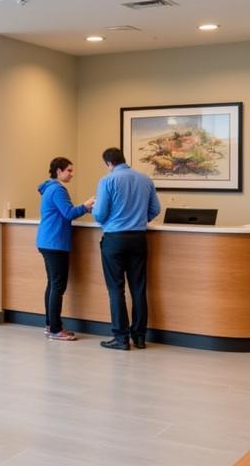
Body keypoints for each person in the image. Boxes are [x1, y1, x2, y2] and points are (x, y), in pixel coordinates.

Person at [92, 147, 160, 350]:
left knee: (116, 289)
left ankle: (121, 339)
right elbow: (155, 209)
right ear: (124, 159)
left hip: (114, 239)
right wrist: (139, 219)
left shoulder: (107, 180)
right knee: (138, 288)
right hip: (139, 239)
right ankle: (139, 337)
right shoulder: (145, 179)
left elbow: (99, 214)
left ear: (108, 164)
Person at [36, 157, 94, 340]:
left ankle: (50, 325)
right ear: (59, 171)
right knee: (57, 286)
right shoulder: (58, 189)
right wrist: (86, 206)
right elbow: (68, 213)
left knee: (52, 284)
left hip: (47, 241)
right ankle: (55, 329)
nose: (71, 173)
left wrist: (83, 208)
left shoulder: (48, 188)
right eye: (69, 170)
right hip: (55, 243)